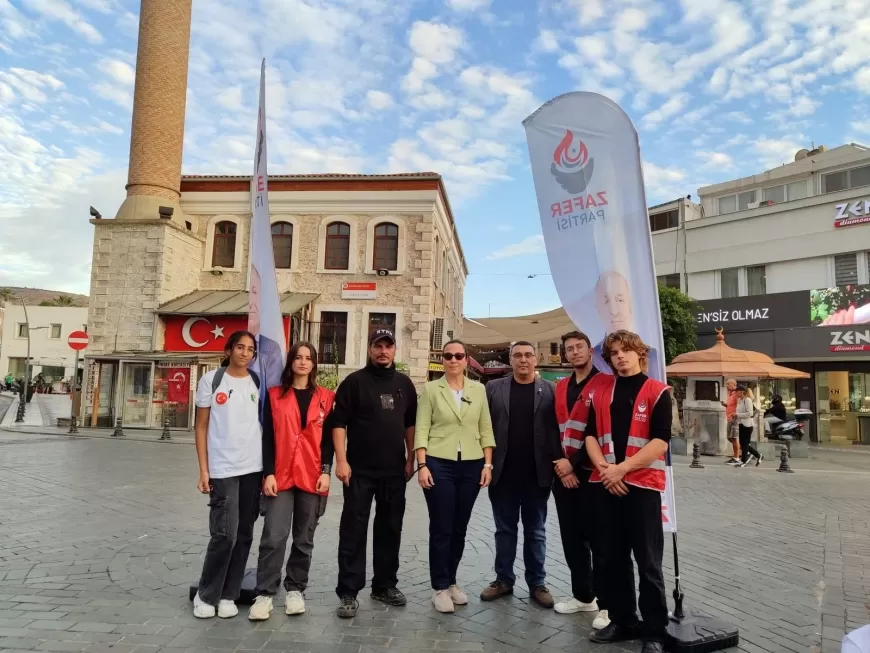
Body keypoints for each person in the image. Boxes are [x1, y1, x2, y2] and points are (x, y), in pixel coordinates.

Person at [583, 330, 671, 653]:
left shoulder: (658, 391)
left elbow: (660, 442)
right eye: (614, 352)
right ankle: (623, 620)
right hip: (607, 484)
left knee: (648, 561)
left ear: (640, 354)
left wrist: (623, 468)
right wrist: (607, 469)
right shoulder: (602, 391)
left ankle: (654, 632)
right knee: (612, 558)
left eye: (626, 351)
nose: (620, 356)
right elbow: (590, 436)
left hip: (642, 487)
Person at [332, 328, 418, 618]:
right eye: (377, 346)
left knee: (390, 528)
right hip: (359, 471)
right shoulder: (354, 383)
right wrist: (341, 461)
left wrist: (410, 459)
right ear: (369, 349)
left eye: (388, 346)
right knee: (353, 529)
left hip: (394, 471)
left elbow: (410, 424)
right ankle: (348, 591)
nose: (383, 351)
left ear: (395, 350)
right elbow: (338, 423)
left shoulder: (405, 384)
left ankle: (384, 585)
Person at [248, 342, 335, 621]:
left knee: (304, 537)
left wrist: (326, 470)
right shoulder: (274, 396)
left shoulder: (326, 397)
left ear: (314, 364)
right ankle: (264, 593)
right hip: (281, 475)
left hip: (312, 476)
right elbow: (267, 437)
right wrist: (268, 472)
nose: (303, 362)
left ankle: (296, 588)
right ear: (291, 362)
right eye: (298, 357)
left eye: (309, 358)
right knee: (273, 535)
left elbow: (329, 440)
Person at [415, 339, 496, 613]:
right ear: (443, 359)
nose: (453, 360)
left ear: (466, 360)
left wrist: (488, 465)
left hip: (472, 463)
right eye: (448, 355)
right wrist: (422, 464)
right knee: (441, 526)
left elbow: (486, 427)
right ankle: (439, 586)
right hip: (439, 461)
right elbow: (421, 428)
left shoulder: (479, 390)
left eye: (458, 355)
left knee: (460, 526)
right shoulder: (431, 389)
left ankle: (451, 581)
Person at [481, 341, 561, 608]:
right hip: (503, 473)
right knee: (504, 531)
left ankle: (537, 582)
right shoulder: (493, 388)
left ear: (535, 360)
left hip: (537, 474)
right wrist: (486, 464)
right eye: (518, 356)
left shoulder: (550, 390)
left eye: (528, 355)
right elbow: (484, 426)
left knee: (536, 531)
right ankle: (503, 580)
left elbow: (559, 430)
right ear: (510, 360)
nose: (523, 360)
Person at [193, 331, 263, 619]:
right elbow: (201, 426)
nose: (245, 353)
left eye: (250, 349)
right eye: (240, 347)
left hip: (253, 468)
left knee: (245, 533)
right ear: (229, 349)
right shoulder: (212, 380)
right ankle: (206, 594)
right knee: (224, 534)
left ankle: (229, 594)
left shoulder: (258, 382)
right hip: (222, 469)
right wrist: (203, 470)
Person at [551, 331, 610, 630]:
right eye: (569, 349)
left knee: (601, 541)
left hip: (594, 474)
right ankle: (583, 596)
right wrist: (562, 468)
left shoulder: (605, 384)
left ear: (590, 350)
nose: (574, 352)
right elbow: (553, 429)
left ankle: (608, 604)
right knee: (572, 539)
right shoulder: (561, 387)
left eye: (579, 347)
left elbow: (598, 430)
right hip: (564, 476)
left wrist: (572, 465)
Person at [590, 271, 659, 374]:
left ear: (630, 304)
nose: (614, 311)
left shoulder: (652, 354)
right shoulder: (592, 355)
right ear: (597, 308)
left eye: (620, 300)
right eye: (606, 302)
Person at [736, 385, 763, 467]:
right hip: (741, 423)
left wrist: (737, 414)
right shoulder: (740, 401)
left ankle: (744, 460)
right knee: (742, 443)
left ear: (742, 392)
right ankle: (758, 455)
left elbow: (750, 413)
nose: (736, 393)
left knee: (745, 443)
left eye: (737, 391)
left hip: (747, 424)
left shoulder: (747, 400)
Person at [721, 378, 741, 465]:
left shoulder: (736, 394)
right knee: (730, 437)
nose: (726, 386)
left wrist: (735, 414)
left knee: (734, 437)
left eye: (727, 384)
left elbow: (739, 405)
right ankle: (743, 451)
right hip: (729, 418)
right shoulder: (730, 394)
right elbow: (731, 405)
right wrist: (725, 405)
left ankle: (737, 457)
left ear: (733, 384)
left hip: (734, 419)